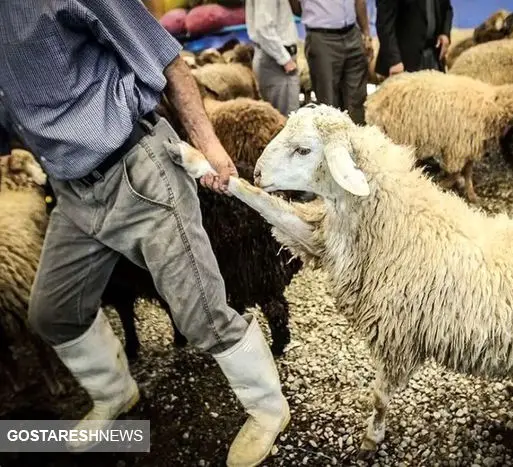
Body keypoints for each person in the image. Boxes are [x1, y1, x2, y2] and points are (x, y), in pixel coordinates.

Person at [0, 1, 288, 466]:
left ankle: (268, 409)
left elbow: (166, 57)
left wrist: (209, 147)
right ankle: (116, 395)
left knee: (203, 316)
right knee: (53, 313)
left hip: (137, 170)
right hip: (71, 192)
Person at [289, 0, 373, 124]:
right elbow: (295, 6)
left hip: (352, 33)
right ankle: (334, 141)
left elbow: (359, 1)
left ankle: (357, 140)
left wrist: (366, 33)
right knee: (329, 104)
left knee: (357, 101)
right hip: (322, 37)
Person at [246, 0, 301, 117]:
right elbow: (263, 28)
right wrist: (285, 60)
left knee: (285, 119)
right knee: (287, 120)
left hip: (274, 58)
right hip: (276, 62)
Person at [375, 0, 453, 77]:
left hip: (434, 56)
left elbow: (447, 9)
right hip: (403, 63)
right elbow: (384, 24)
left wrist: (445, 33)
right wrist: (394, 61)